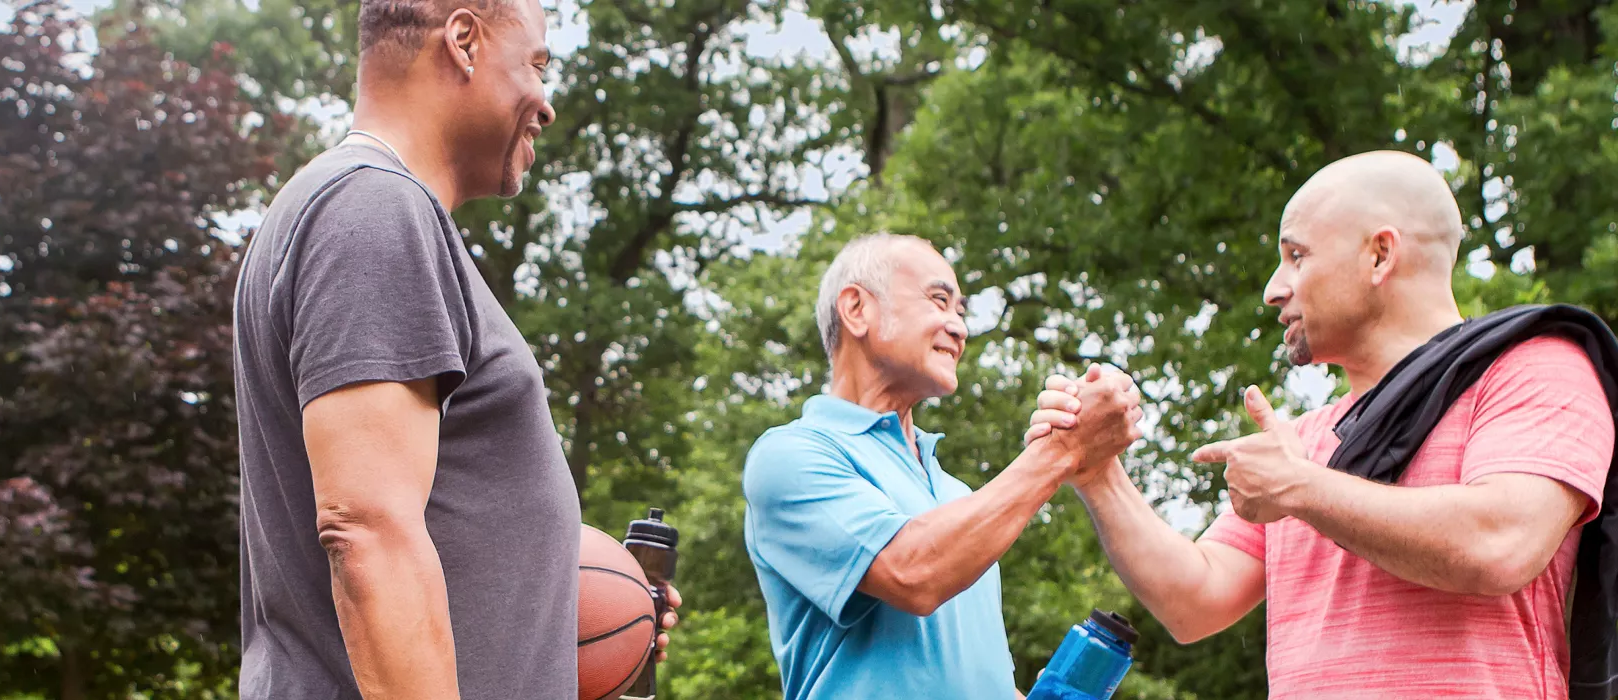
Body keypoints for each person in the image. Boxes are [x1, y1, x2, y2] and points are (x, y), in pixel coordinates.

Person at [1031, 150, 1616, 698]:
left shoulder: (1535, 369)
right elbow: (1196, 600)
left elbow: (1499, 545)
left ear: (1379, 255)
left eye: (1297, 256)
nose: (1272, 289)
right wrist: (1094, 468)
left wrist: (1303, 488)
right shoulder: (1304, 443)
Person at [230, 1, 677, 697]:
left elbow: (425, 513)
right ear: (464, 41)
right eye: (535, 64)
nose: (546, 102)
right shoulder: (374, 210)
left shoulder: (356, 211)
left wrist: (578, 589)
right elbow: (366, 531)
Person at [741, 233, 1144, 699]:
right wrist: (1061, 450)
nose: (959, 328)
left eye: (962, 311)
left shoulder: (956, 494)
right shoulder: (790, 456)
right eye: (939, 301)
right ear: (855, 309)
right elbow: (914, 574)